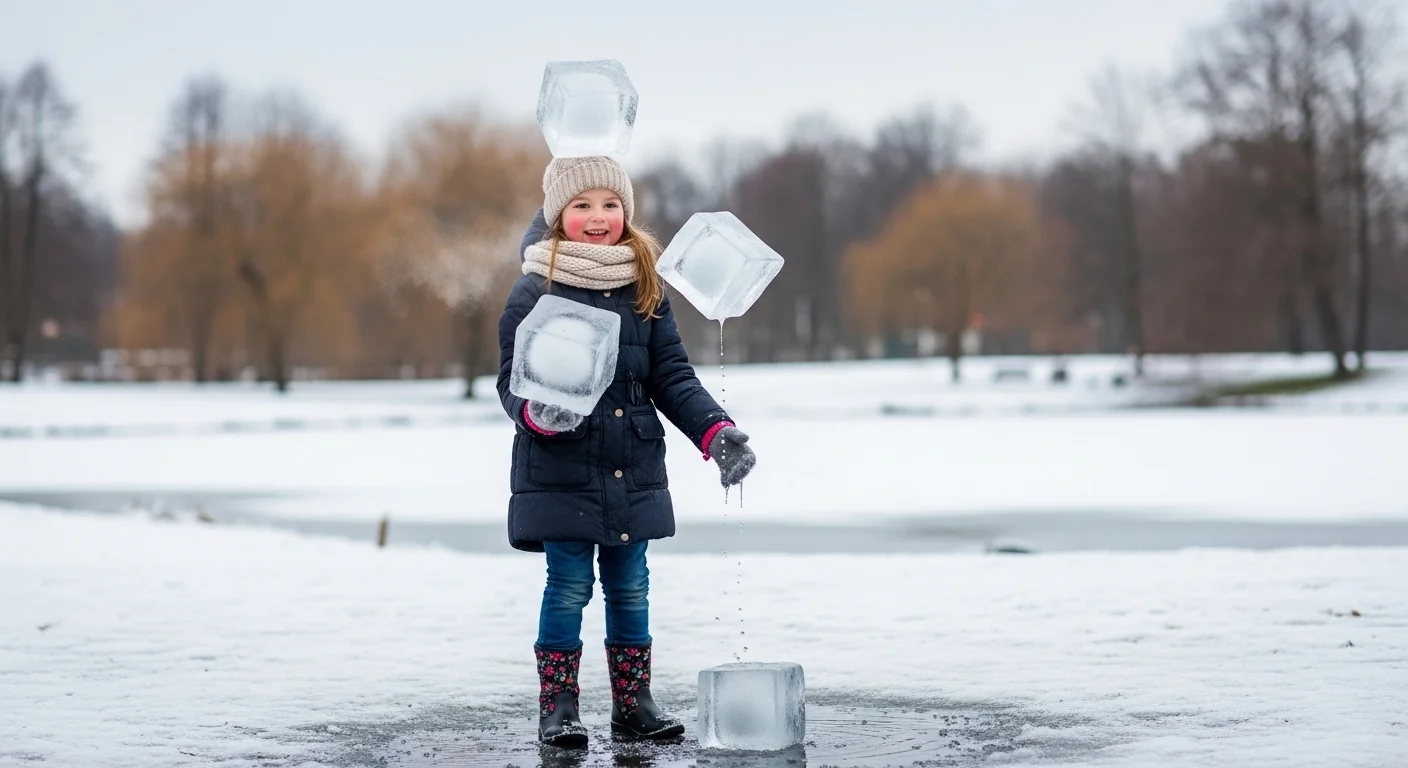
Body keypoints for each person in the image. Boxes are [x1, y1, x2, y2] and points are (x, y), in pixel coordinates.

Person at [497, 156, 756, 747]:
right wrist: (538, 415)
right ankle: (558, 708)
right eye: (582, 205)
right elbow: (511, 381)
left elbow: (672, 375)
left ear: (627, 213)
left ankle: (632, 703)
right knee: (566, 586)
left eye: (610, 205)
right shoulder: (536, 286)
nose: (597, 217)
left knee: (631, 585)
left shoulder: (647, 285)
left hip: (631, 467)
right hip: (560, 468)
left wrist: (717, 433)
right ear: (559, 215)